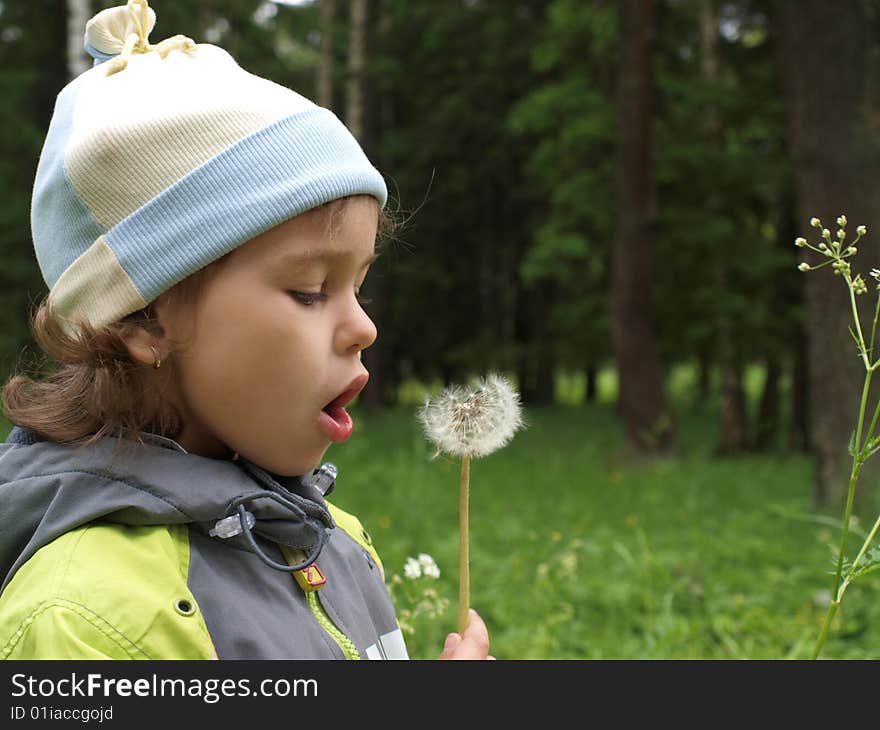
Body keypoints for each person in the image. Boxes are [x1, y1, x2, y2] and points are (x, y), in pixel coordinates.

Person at [0, 0, 491, 661]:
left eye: (358, 285)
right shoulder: (86, 623)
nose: (364, 327)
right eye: (310, 291)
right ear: (144, 318)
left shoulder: (325, 540)